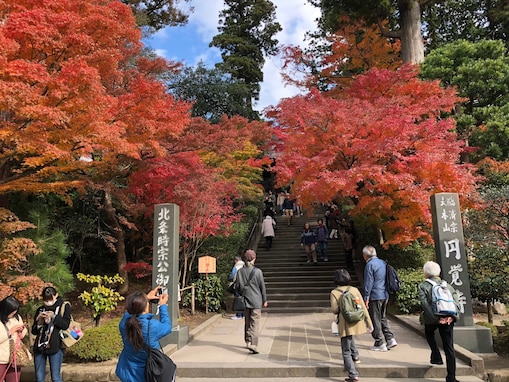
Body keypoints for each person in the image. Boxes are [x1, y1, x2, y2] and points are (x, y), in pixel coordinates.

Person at [116, 287, 171, 381]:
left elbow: (130, 311)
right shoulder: (151, 326)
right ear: (145, 307)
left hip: (127, 372)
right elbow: (167, 327)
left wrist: (145, 298)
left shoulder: (124, 323)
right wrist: (163, 305)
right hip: (147, 373)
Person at [419, 261, 460, 382]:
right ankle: (451, 377)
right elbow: (456, 302)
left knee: (429, 333)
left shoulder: (423, 286)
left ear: (426, 273)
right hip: (448, 318)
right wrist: (452, 317)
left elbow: (425, 305)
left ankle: (436, 355)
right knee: (449, 347)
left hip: (433, 318)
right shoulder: (447, 286)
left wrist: (436, 318)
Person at [331, 269, 373, 382]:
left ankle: (353, 374)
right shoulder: (354, 290)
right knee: (350, 338)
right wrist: (369, 323)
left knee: (345, 350)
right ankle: (356, 355)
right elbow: (363, 307)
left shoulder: (334, 292)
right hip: (356, 320)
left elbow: (334, 310)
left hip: (345, 322)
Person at [361, 245, 397, 351]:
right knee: (382, 317)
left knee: (375, 318)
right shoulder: (383, 262)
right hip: (384, 293)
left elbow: (368, 282)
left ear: (365, 255)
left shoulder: (369, 265)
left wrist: (366, 296)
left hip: (375, 295)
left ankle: (379, 342)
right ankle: (390, 338)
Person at [31, 286, 71, 382]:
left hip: (56, 346)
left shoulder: (64, 306)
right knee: (39, 377)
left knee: (55, 377)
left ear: (55, 295)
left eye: (50, 299)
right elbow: (34, 331)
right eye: (45, 300)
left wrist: (54, 317)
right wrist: (39, 322)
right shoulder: (40, 310)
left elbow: (65, 325)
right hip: (40, 346)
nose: (48, 302)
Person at [234, 250, 267, 354]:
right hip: (256, 301)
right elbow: (262, 287)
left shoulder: (240, 272)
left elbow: (238, 287)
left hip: (245, 300)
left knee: (247, 321)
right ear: (253, 259)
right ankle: (253, 344)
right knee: (255, 323)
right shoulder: (258, 271)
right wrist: (264, 299)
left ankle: (248, 341)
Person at [0, 296, 27, 382]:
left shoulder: (17, 317)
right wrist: (10, 332)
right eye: (11, 311)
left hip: (15, 358)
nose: (13, 313)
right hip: (1, 358)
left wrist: (22, 330)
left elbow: (21, 336)